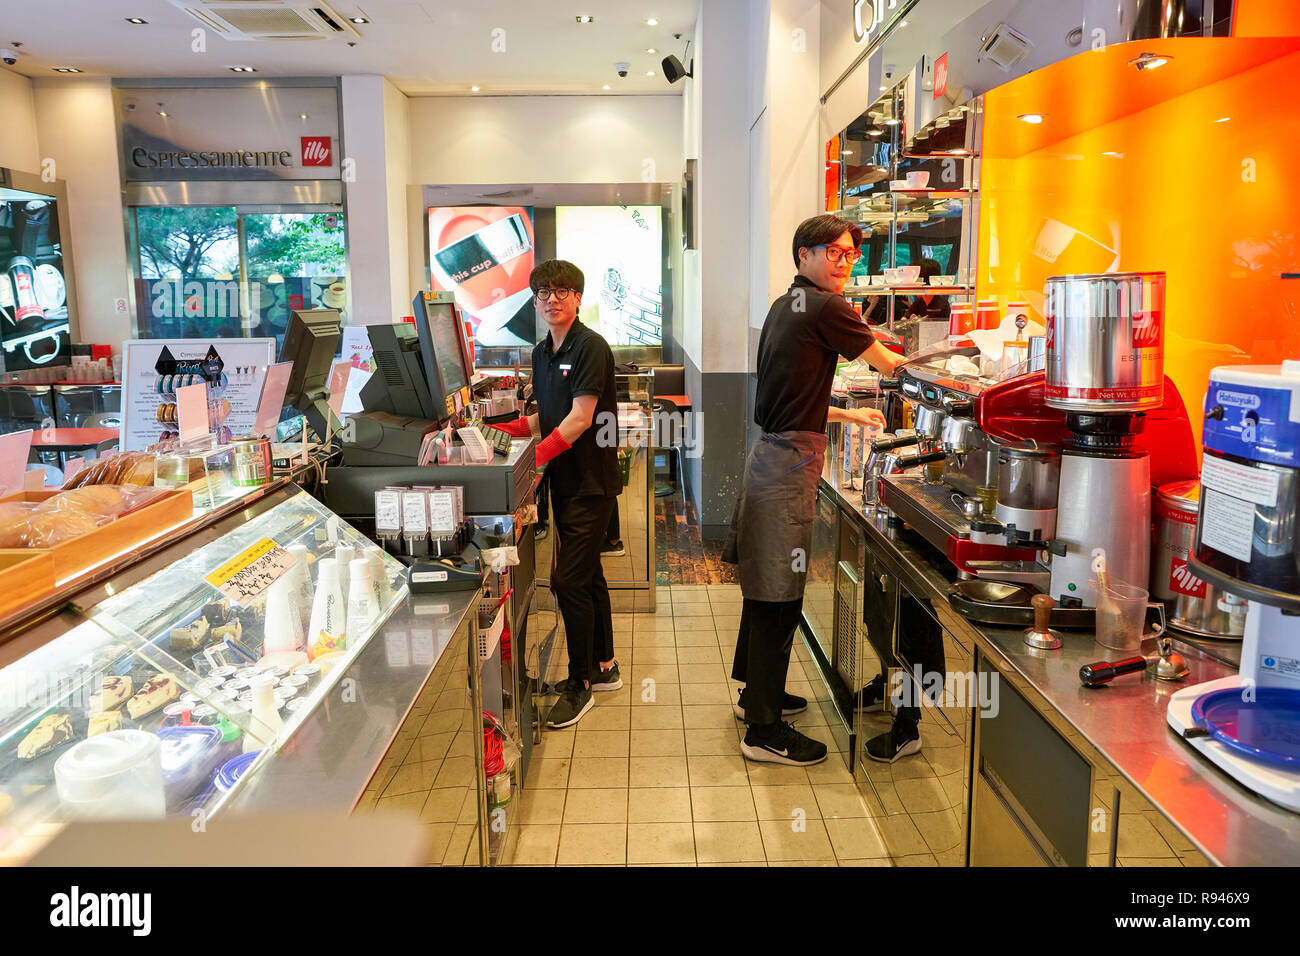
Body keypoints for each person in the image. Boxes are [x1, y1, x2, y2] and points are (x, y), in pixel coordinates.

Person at [725, 214, 905, 766]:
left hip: (771, 454)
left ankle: (757, 694)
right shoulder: (829, 307)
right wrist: (957, 360)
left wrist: (849, 417)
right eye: (833, 252)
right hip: (787, 468)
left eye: (850, 254)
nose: (843, 262)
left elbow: (788, 401)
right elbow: (891, 365)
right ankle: (763, 732)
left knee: (764, 584)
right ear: (803, 253)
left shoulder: (787, 305)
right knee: (779, 591)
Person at [489, 260, 623, 729]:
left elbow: (580, 418)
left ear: (578, 299)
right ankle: (605, 667)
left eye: (563, 291)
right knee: (587, 577)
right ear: (534, 299)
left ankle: (580, 683)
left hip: (590, 483)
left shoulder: (590, 347)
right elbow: (546, 417)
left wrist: (534, 458)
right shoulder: (542, 351)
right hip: (565, 483)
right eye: (543, 291)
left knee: (568, 582)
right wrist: (492, 431)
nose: (552, 299)